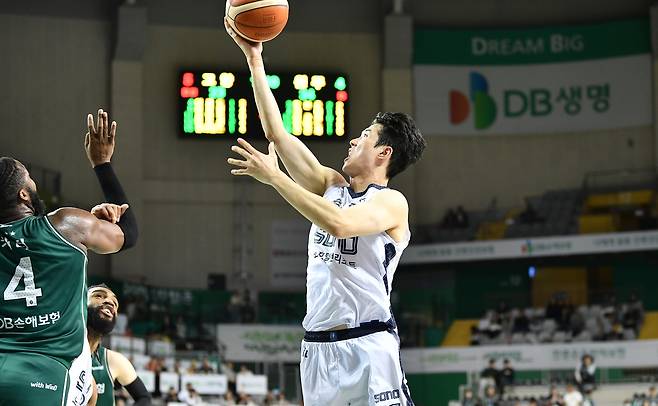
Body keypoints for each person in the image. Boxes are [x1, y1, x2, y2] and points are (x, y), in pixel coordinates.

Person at [225, 19, 426, 406]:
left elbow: (339, 224)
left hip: (368, 344)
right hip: (316, 350)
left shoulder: (391, 203)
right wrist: (254, 59)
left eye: (365, 136)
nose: (354, 139)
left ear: (384, 153)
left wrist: (276, 180)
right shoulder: (331, 185)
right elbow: (277, 135)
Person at [0, 109, 138, 406]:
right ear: (24, 195)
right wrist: (102, 164)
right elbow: (129, 234)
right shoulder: (66, 224)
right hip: (47, 374)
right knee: (89, 391)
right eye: (31, 179)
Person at [87, 284, 151, 406]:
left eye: (115, 303)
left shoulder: (113, 360)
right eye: (99, 296)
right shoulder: (59, 348)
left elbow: (144, 398)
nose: (110, 302)